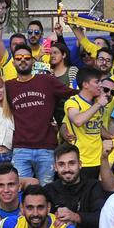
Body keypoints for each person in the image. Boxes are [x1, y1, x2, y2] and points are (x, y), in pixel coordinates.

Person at [6, 44, 77, 183]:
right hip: (21, 148)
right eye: (18, 58)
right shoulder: (8, 86)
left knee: (46, 191)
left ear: (33, 61)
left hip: (46, 148)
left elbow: (72, 94)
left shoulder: (46, 81)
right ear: (13, 62)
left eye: (26, 57)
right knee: (20, 192)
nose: (22, 60)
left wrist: (95, 94)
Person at [62, 67, 109, 179]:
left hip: (98, 159)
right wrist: (98, 105)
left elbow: (98, 125)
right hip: (81, 160)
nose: (101, 85)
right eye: (97, 82)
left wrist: (112, 135)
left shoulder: (97, 104)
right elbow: (78, 121)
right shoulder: (73, 102)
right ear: (85, 84)